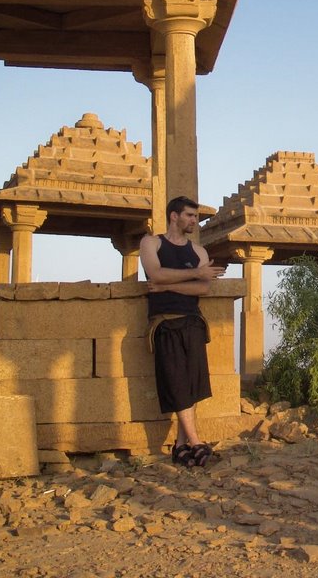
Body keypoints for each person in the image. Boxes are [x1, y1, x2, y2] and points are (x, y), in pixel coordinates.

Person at [139, 195, 226, 467]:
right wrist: (193, 275)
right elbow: (155, 273)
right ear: (174, 216)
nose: (194, 220)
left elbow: (203, 288)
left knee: (191, 386)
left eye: (195, 216)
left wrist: (167, 286)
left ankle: (179, 446)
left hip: (193, 321)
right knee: (177, 383)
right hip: (165, 322)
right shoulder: (151, 243)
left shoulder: (198, 251)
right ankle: (197, 442)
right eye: (189, 215)